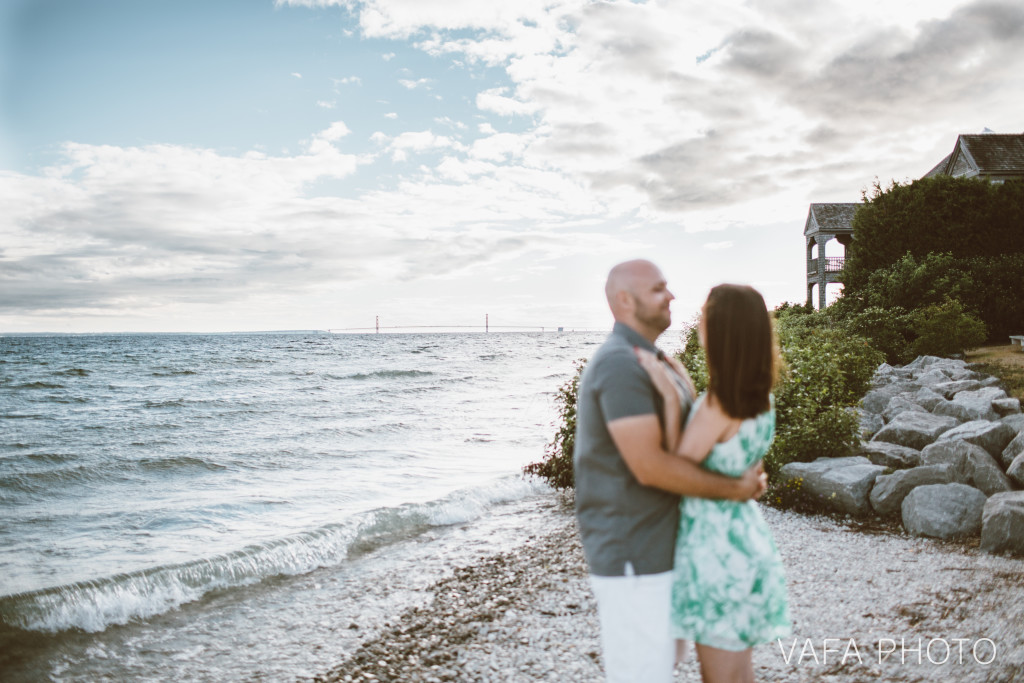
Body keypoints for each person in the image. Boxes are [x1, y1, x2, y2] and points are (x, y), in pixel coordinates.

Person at [574, 260, 767, 683]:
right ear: (625, 300)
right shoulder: (620, 365)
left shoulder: (659, 361)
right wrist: (735, 489)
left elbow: (693, 442)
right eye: (659, 289)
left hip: (672, 549)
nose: (672, 296)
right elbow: (650, 466)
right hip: (635, 555)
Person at [636, 283, 791, 683]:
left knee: (721, 677)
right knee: (739, 673)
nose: (699, 321)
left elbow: (676, 471)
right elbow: (749, 468)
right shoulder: (761, 398)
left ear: (718, 329)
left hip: (715, 550)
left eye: (704, 314)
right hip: (747, 539)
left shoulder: (719, 403)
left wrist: (671, 399)